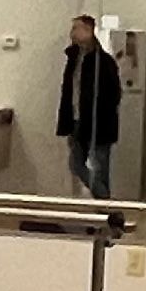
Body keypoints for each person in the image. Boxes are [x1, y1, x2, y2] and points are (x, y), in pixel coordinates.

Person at [57, 15, 123, 199]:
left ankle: (105, 206)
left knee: (101, 167)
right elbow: (69, 91)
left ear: (88, 31)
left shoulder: (104, 62)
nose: (71, 33)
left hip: (99, 124)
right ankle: (105, 200)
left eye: (75, 28)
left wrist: (100, 115)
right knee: (76, 164)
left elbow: (114, 94)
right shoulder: (73, 59)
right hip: (76, 121)